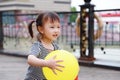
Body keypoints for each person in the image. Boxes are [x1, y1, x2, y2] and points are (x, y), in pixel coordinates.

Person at [24, 11, 64, 80]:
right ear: (41, 29)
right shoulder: (38, 46)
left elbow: (61, 61)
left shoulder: (56, 48)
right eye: (52, 27)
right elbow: (30, 60)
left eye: (58, 27)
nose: (56, 30)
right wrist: (47, 63)